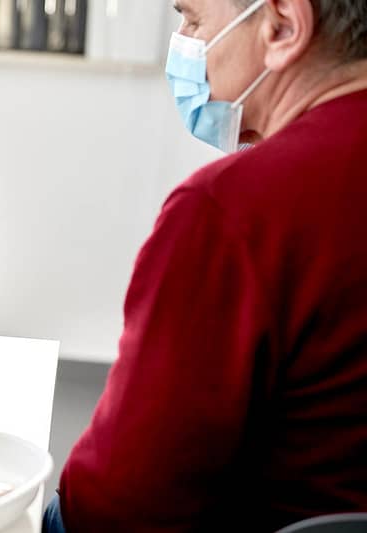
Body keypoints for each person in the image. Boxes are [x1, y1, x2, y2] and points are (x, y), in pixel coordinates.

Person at [49, 0, 367, 531]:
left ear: (283, 27)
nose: (184, 44)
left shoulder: (233, 210)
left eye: (194, 20)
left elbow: (121, 503)